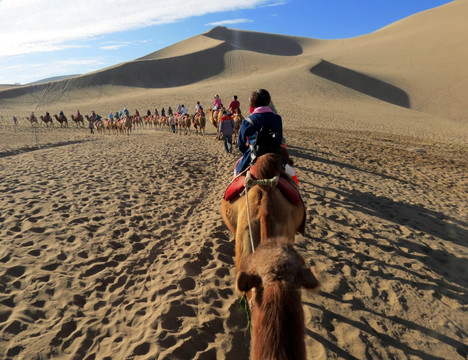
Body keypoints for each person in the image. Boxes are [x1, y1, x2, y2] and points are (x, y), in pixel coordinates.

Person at [235, 89, 283, 175]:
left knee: (237, 175)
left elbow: (241, 144)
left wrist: (249, 153)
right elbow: (279, 140)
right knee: (291, 177)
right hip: (275, 158)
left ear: (252, 104)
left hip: (252, 157)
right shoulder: (277, 119)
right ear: (268, 102)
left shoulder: (247, 121)